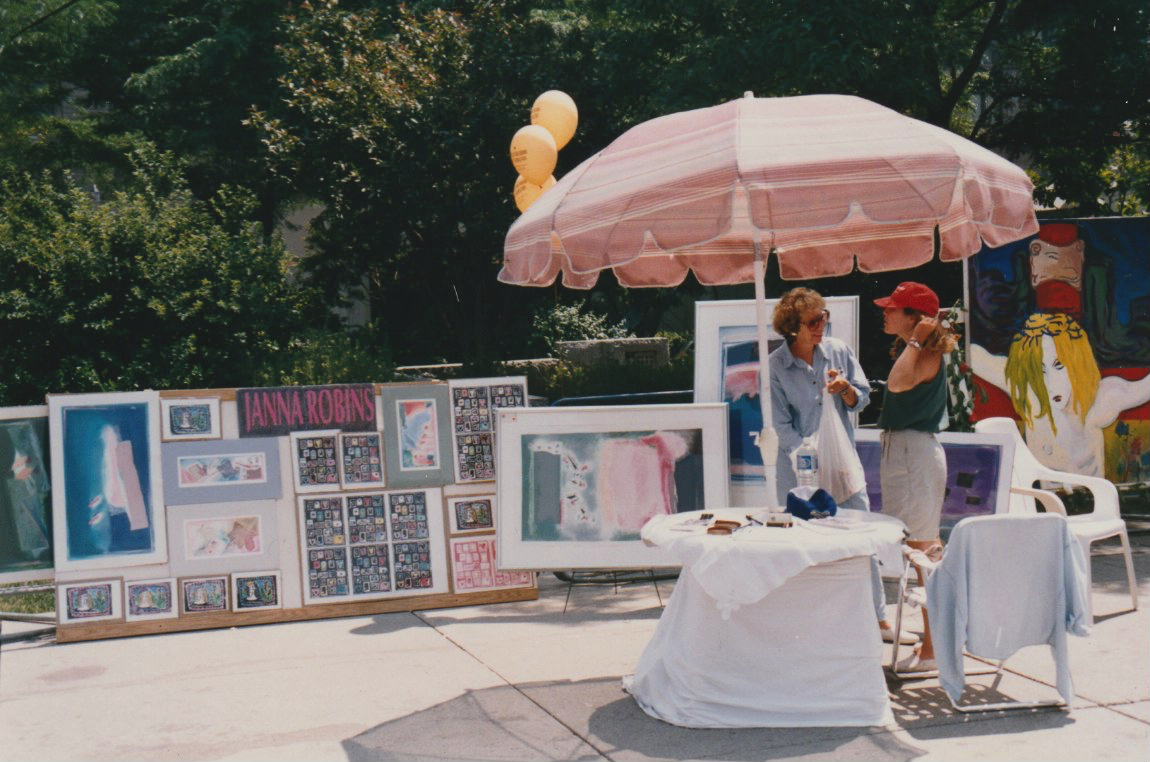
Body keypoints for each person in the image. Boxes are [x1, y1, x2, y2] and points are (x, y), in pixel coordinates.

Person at [769, 287, 912, 644]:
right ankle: (813, 624)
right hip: (799, 470)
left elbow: (861, 399)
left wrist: (846, 388)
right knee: (804, 544)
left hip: (842, 466)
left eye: (823, 318)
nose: (821, 326)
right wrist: (807, 453)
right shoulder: (776, 366)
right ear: (792, 327)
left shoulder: (838, 351)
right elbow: (780, 425)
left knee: (862, 539)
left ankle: (878, 618)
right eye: (812, 322)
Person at [874, 281, 959, 672]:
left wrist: (916, 339)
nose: (885, 313)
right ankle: (935, 643)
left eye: (893, 308)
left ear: (915, 318)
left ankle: (933, 650)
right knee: (923, 549)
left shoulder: (925, 353)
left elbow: (896, 383)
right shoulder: (919, 351)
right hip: (907, 450)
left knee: (922, 552)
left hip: (913, 453)